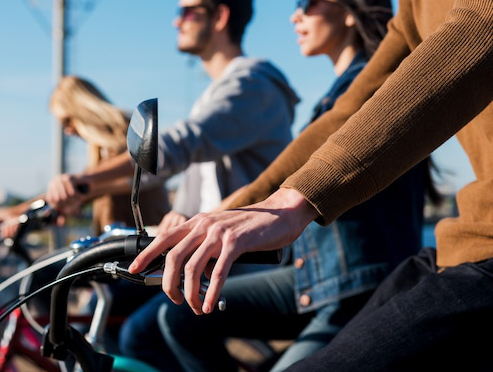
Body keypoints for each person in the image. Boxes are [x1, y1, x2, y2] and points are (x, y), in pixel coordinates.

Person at [129, 0, 493, 370]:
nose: (294, 14)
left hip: (408, 268)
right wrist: (233, 213)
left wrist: (295, 201)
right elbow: (341, 117)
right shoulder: (414, 11)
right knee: (170, 319)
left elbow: (479, 29)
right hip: (455, 249)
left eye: (308, 3)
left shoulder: (256, 82)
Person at [44, 0, 299, 232]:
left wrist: (83, 179)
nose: (176, 21)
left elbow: (180, 144)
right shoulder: (218, 94)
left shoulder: (252, 86)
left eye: (187, 12)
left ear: (220, 16)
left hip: (247, 264)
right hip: (217, 257)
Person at [0, 75, 170, 236]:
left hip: (146, 247)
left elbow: (88, 186)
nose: (68, 131)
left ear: (84, 110)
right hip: (123, 249)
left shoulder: (129, 133)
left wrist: (18, 211)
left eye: (67, 121)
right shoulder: (101, 148)